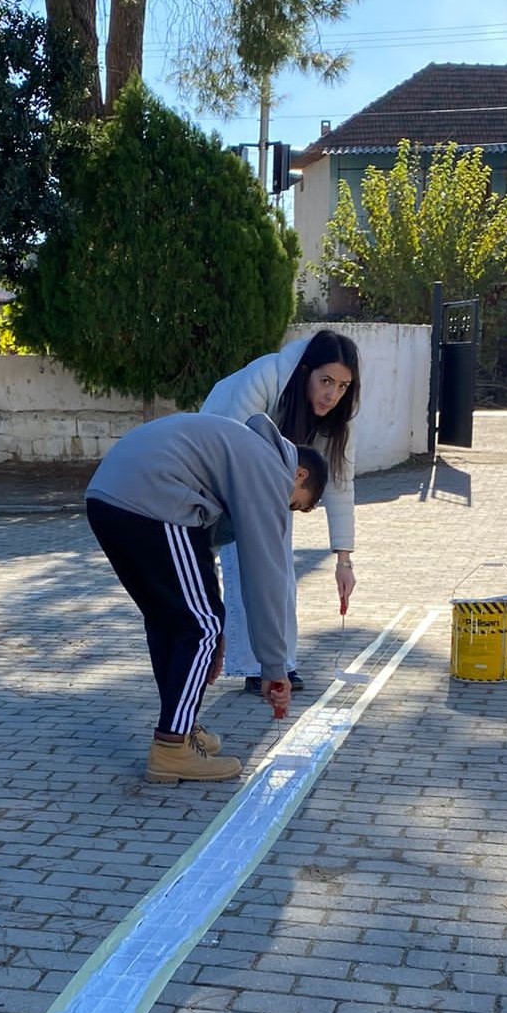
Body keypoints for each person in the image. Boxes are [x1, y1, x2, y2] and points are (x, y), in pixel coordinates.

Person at [85, 411, 327, 783]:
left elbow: (201, 556)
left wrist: (217, 633)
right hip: (151, 499)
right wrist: (274, 668)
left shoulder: (241, 453)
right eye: (295, 504)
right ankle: (171, 748)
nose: (287, 511)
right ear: (299, 475)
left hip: (110, 497)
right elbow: (267, 575)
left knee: (172, 620)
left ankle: (183, 724)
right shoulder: (270, 471)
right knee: (198, 628)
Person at [201, 330, 360, 695]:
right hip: (224, 474)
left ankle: (281, 664)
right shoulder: (264, 378)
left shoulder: (338, 418)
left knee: (280, 572)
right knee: (247, 568)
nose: (332, 394)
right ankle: (256, 667)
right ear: (305, 371)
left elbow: (339, 483)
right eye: (325, 381)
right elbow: (229, 445)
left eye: (342, 386)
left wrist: (344, 561)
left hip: (275, 481)